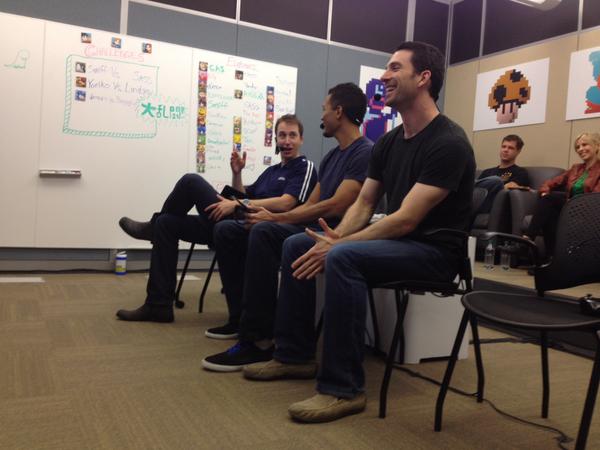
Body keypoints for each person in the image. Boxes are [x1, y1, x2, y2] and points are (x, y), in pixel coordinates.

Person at [243, 41, 475, 423]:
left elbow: (406, 220)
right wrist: (333, 238)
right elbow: (364, 204)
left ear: (424, 78)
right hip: (400, 241)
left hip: (434, 253)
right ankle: (294, 355)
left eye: (395, 68)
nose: (384, 75)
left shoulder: (448, 142)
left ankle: (343, 389)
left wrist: (340, 245)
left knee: (343, 256)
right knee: (300, 244)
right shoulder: (389, 143)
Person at [201, 82, 373, 369]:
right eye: (282, 135)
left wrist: (275, 218)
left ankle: (258, 340)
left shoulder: (364, 152)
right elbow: (310, 205)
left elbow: (336, 205)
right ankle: (244, 323)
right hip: (311, 226)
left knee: (265, 231)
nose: (322, 116)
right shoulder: (332, 156)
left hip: (334, 232)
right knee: (230, 230)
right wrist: (269, 215)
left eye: (325, 109)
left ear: (338, 112)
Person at [115, 114, 317, 323]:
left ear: (301, 139)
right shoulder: (271, 172)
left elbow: (286, 203)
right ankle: (158, 306)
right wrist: (237, 174)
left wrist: (237, 204)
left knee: (191, 181)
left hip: (256, 227)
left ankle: (152, 227)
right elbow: (243, 195)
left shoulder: (304, 167)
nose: (287, 141)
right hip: (234, 220)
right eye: (282, 135)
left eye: (292, 135)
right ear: (276, 139)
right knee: (167, 224)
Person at [524, 132, 600, 257]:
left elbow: (595, 197)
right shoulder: (576, 168)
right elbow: (550, 183)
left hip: (589, 209)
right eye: (577, 147)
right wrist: (544, 192)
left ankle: (528, 240)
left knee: (550, 201)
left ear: (597, 146)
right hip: (570, 206)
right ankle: (551, 258)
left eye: (584, 145)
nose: (580, 149)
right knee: (549, 210)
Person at [475, 134, 529, 214]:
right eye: (503, 147)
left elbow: (510, 188)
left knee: (497, 181)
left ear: (518, 151)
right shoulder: (487, 172)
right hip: (475, 201)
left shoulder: (520, 172)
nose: (505, 150)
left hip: (493, 205)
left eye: (510, 148)